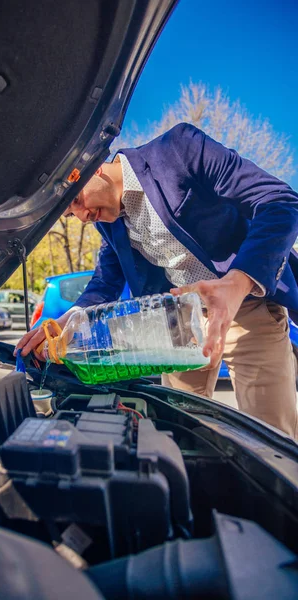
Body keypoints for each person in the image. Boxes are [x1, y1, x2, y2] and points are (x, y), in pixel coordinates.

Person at [16, 123, 298, 438]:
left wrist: (237, 283)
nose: (81, 217)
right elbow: (104, 283)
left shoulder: (179, 149)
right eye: (71, 216)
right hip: (180, 324)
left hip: (246, 308)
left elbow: (280, 202)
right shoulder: (108, 224)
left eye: (76, 202)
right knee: (177, 429)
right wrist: (64, 320)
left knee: (272, 435)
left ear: (91, 169)